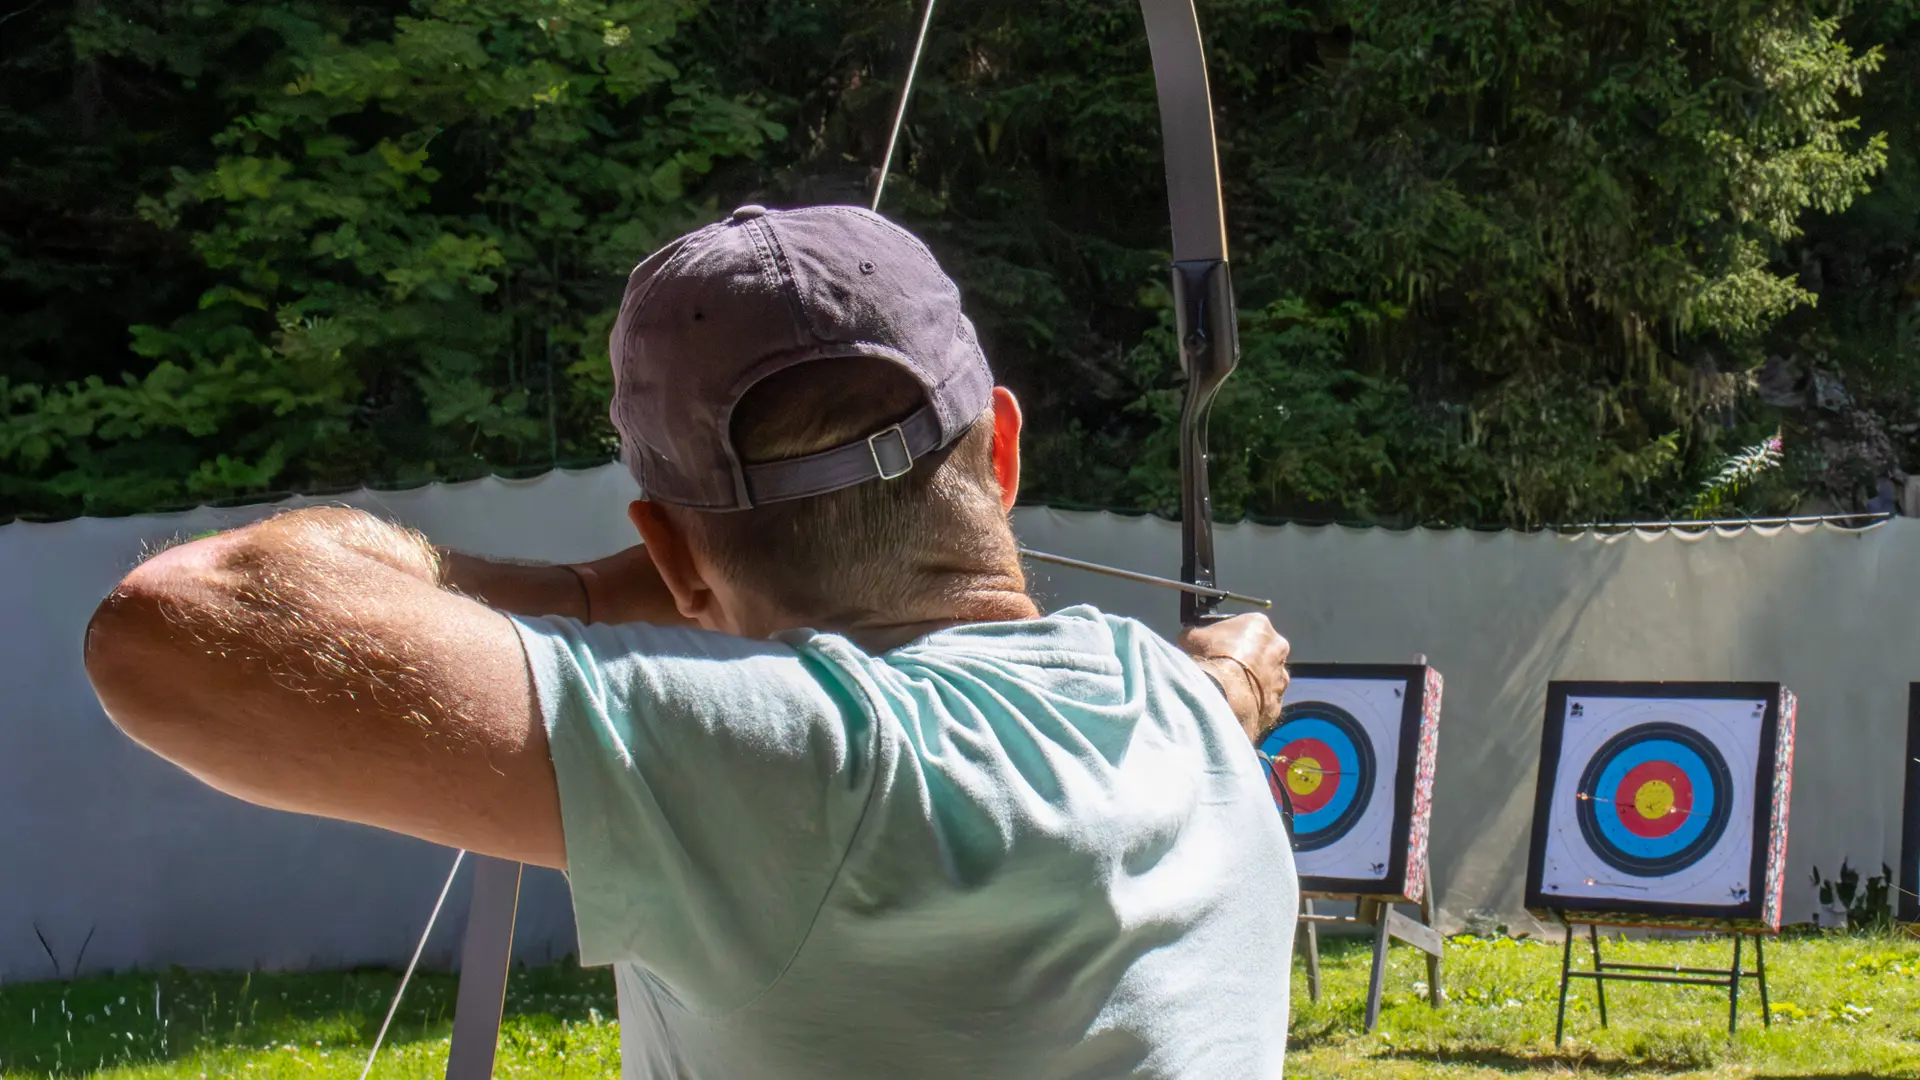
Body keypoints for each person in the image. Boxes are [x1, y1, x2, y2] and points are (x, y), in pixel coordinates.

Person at [84, 205, 1299, 1079]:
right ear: (1006, 447)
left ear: (668, 549)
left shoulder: (800, 773)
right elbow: (1221, 689)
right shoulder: (1174, 707)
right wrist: (1225, 684)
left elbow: (174, 626)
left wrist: (590, 593)